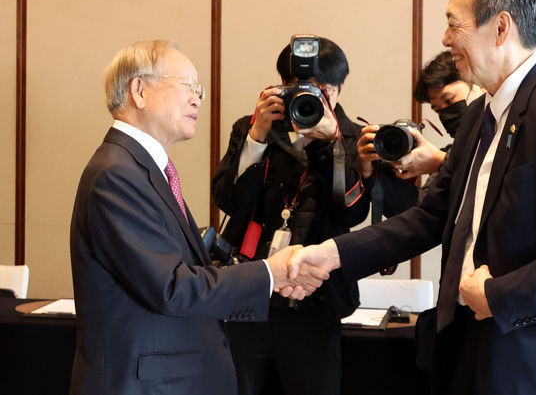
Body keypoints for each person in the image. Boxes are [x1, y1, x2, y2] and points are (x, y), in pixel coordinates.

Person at [289, 0, 536, 395]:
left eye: (454, 24)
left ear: (501, 27)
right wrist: (330, 255)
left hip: (535, 363)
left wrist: (501, 295)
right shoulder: (478, 115)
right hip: (468, 347)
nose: (445, 39)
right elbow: (429, 218)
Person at [69, 40, 325, 395]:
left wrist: (271, 279)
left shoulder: (140, 168)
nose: (197, 98)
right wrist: (270, 272)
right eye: (187, 85)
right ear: (139, 91)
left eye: (199, 89)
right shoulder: (117, 174)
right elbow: (172, 287)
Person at [211, 37, 369, 395]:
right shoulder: (252, 128)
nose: (310, 95)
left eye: (322, 87)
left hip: (315, 303)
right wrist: (257, 136)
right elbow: (228, 200)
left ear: (339, 88)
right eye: (298, 86)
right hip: (250, 294)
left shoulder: (354, 137)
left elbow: (352, 211)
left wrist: (333, 146)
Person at [357, 51, 481, 220]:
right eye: (437, 109)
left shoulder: (507, 133)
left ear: (479, 86)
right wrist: (368, 171)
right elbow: (417, 211)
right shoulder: (454, 152)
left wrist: (439, 161)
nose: (446, 113)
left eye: (449, 100)